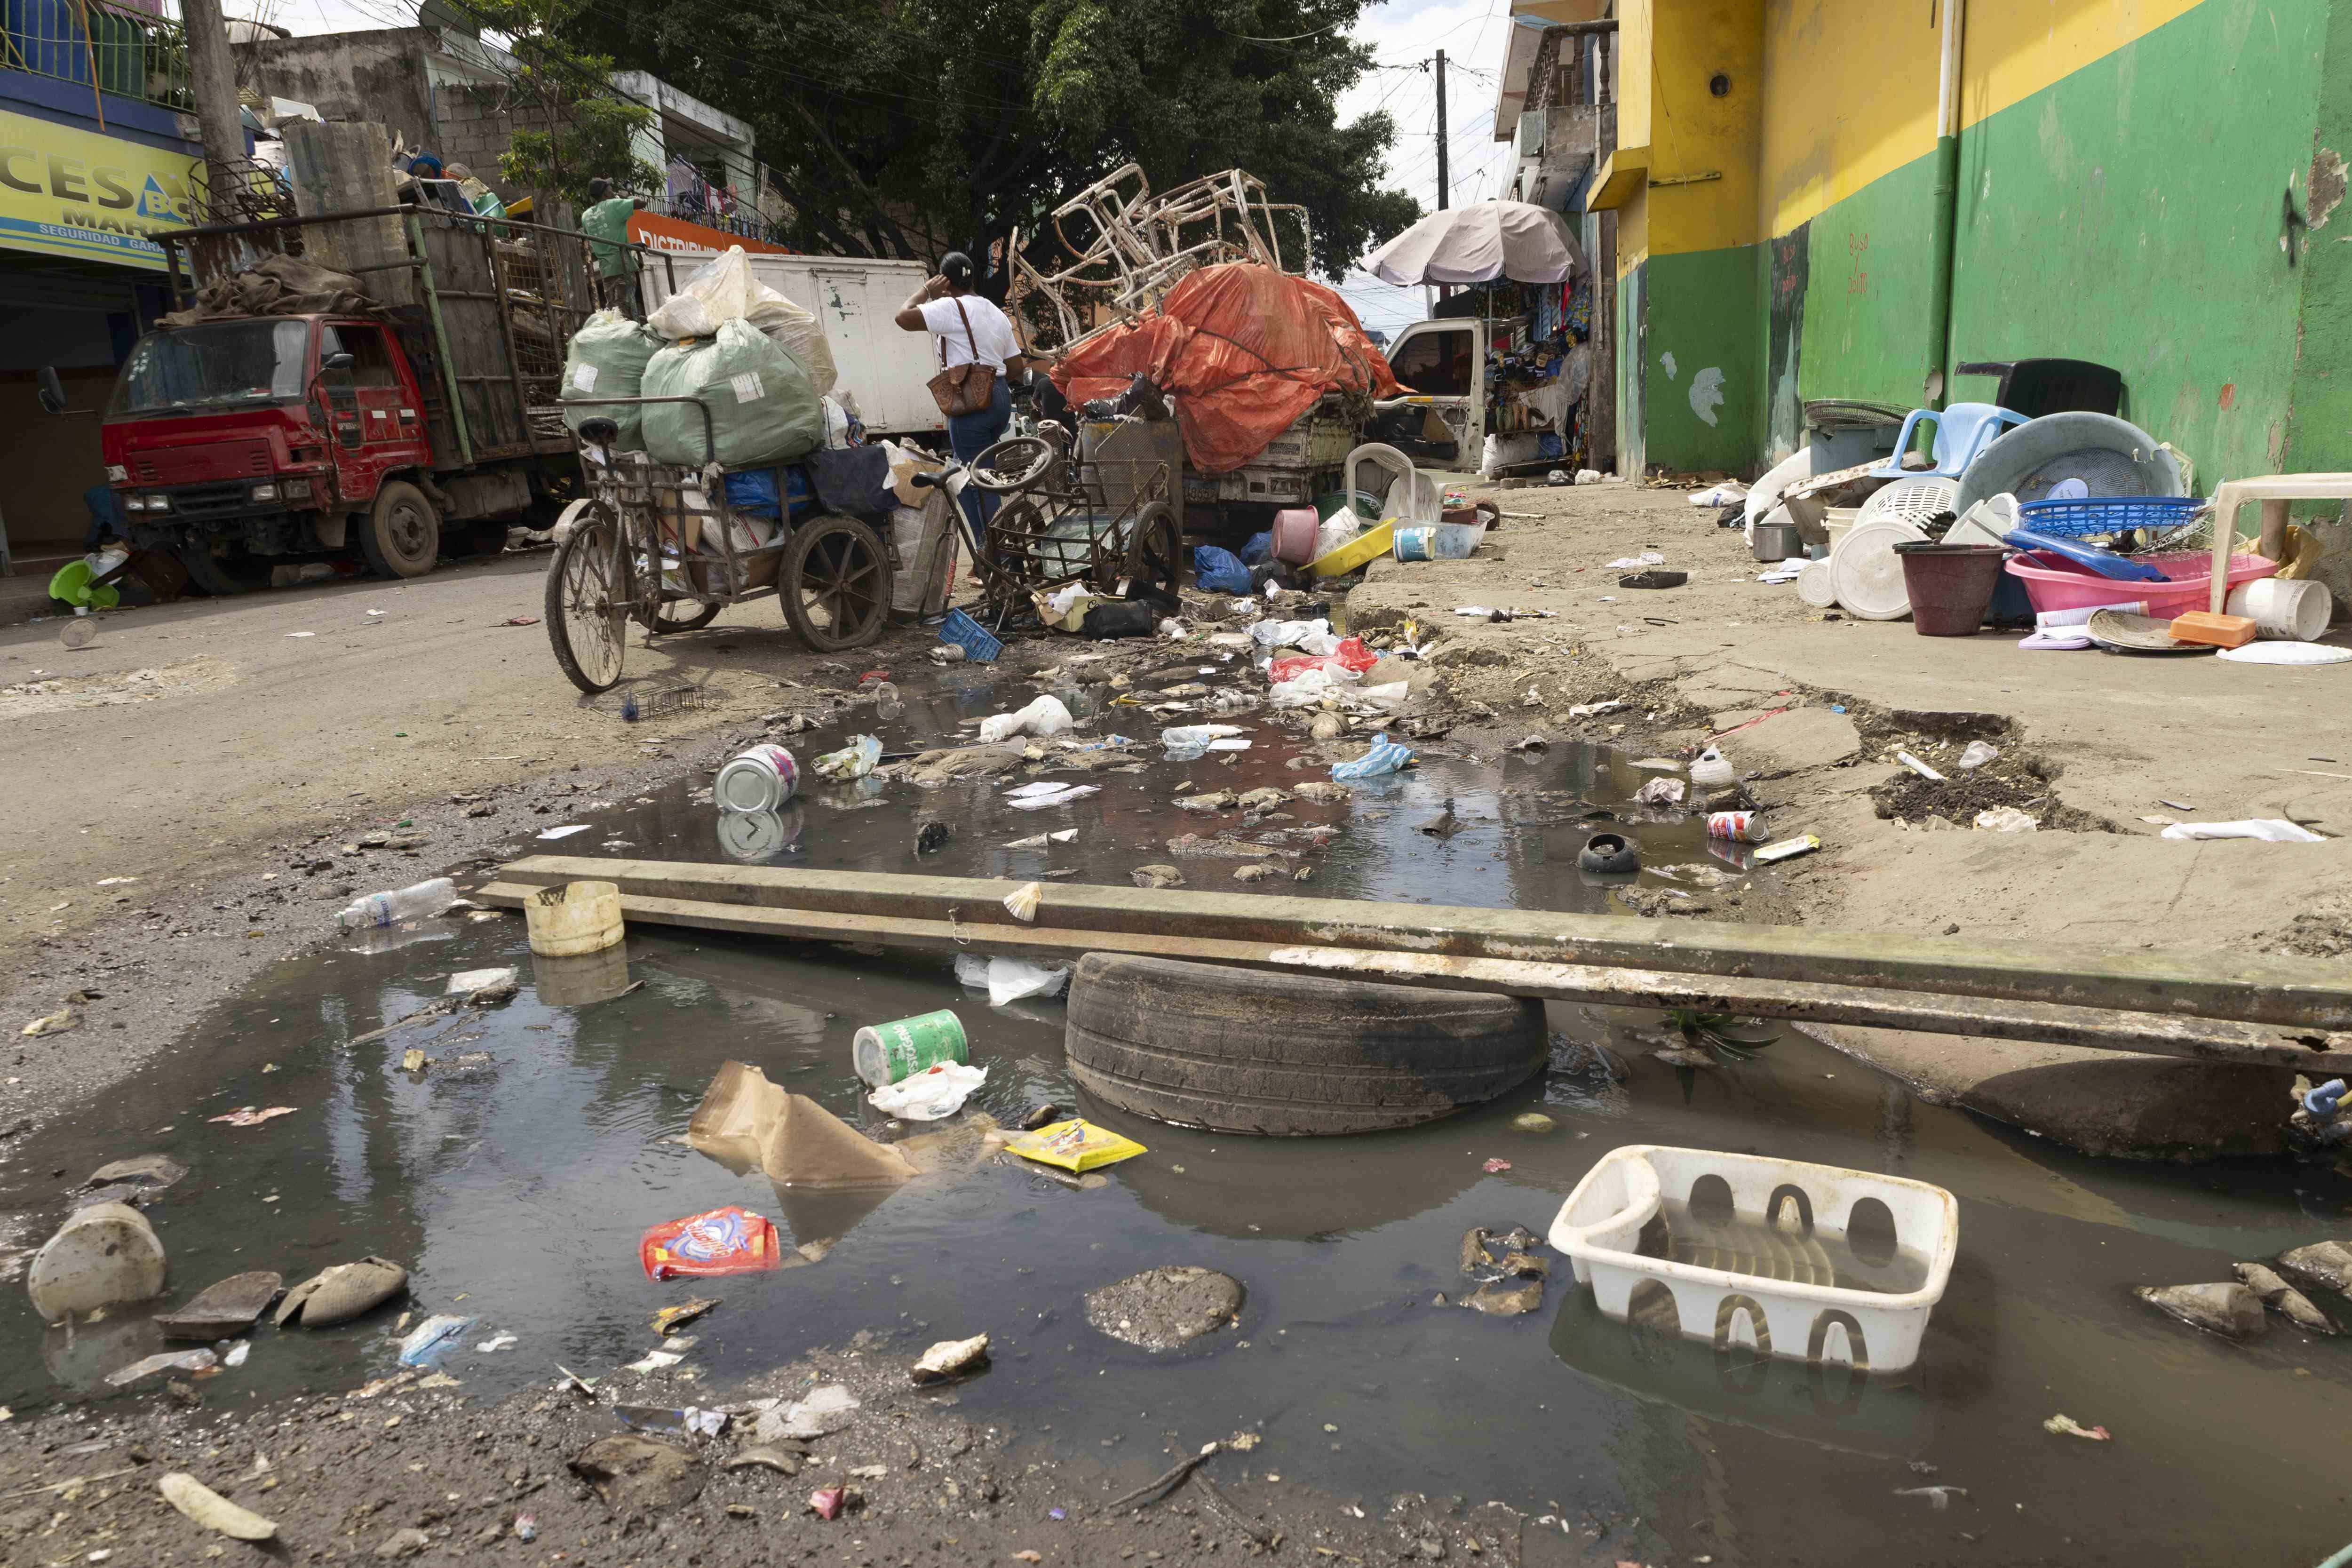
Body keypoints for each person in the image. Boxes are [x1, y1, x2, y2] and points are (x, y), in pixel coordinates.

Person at [894, 252, 1038, 539]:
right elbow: (1016, 367)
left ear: (945, 283)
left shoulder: (949, 306)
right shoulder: (995, 312)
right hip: (998, 399)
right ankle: (996, 547)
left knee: (970, 481)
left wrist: (926, 292)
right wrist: (990, 382)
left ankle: (994, 552)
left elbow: (903, 317)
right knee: (981, 475)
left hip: (970, 404)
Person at [579, 178, 645, 317]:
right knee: (624, 310)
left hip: (606, 270)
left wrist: (631, 245)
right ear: (606, 193)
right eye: (609, 187)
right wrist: (625, 197)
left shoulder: (586, 216)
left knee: (613, 308)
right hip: (623, 265)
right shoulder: (614, 204)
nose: (612, 189)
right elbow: (641, 203)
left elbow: (605, 240)